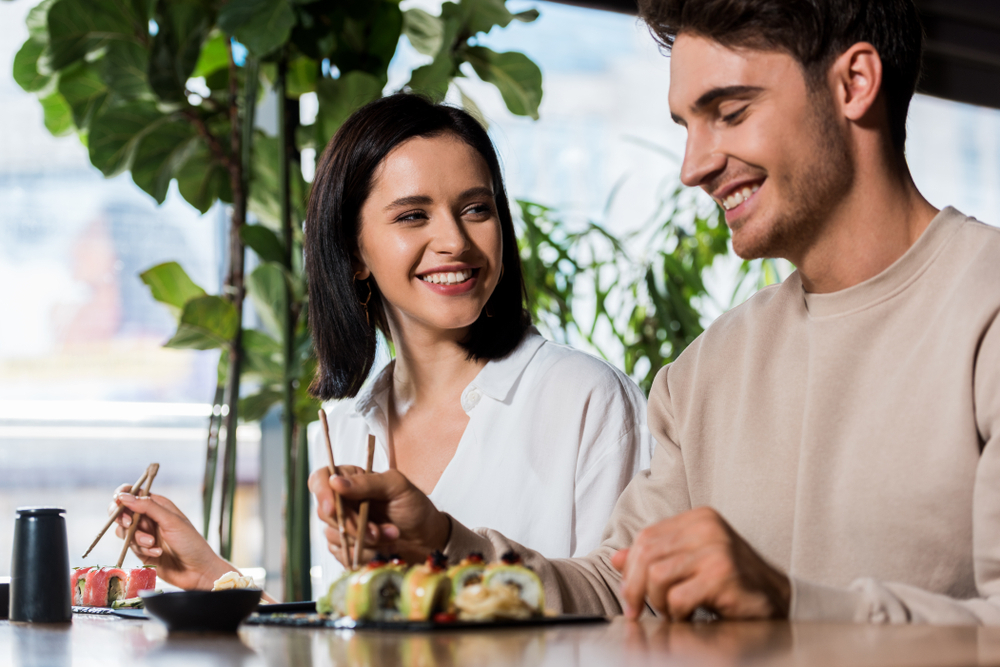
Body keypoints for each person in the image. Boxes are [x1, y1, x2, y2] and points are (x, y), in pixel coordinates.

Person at [322, 0, 1000, 624]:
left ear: (853, 83)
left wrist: (790, 604)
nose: (694, 165)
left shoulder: (984, 310)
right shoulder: (703, 373)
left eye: (730, 112)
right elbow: (617, 591)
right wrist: (445, 541)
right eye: (686, 126)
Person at [111, 95, 653, 594]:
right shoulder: (343, 423)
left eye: (476, 209)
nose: (454, 241)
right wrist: (212, 575)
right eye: (413, 215)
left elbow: (628, 613)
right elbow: (359, 637)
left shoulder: (586, 399)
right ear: (354, 252)